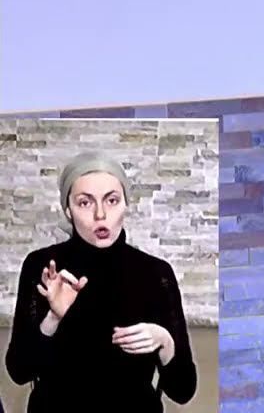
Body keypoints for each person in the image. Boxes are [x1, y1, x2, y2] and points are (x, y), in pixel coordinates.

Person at [5, 152, 197, 412]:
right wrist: (53, 318)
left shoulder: (156, 273)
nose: (100, 214)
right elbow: (19, 372)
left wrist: (165, 342)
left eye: (112, 200)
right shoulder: (44, 267)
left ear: (126, 204)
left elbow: (183, 390)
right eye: (85, 203)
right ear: (68, 210)